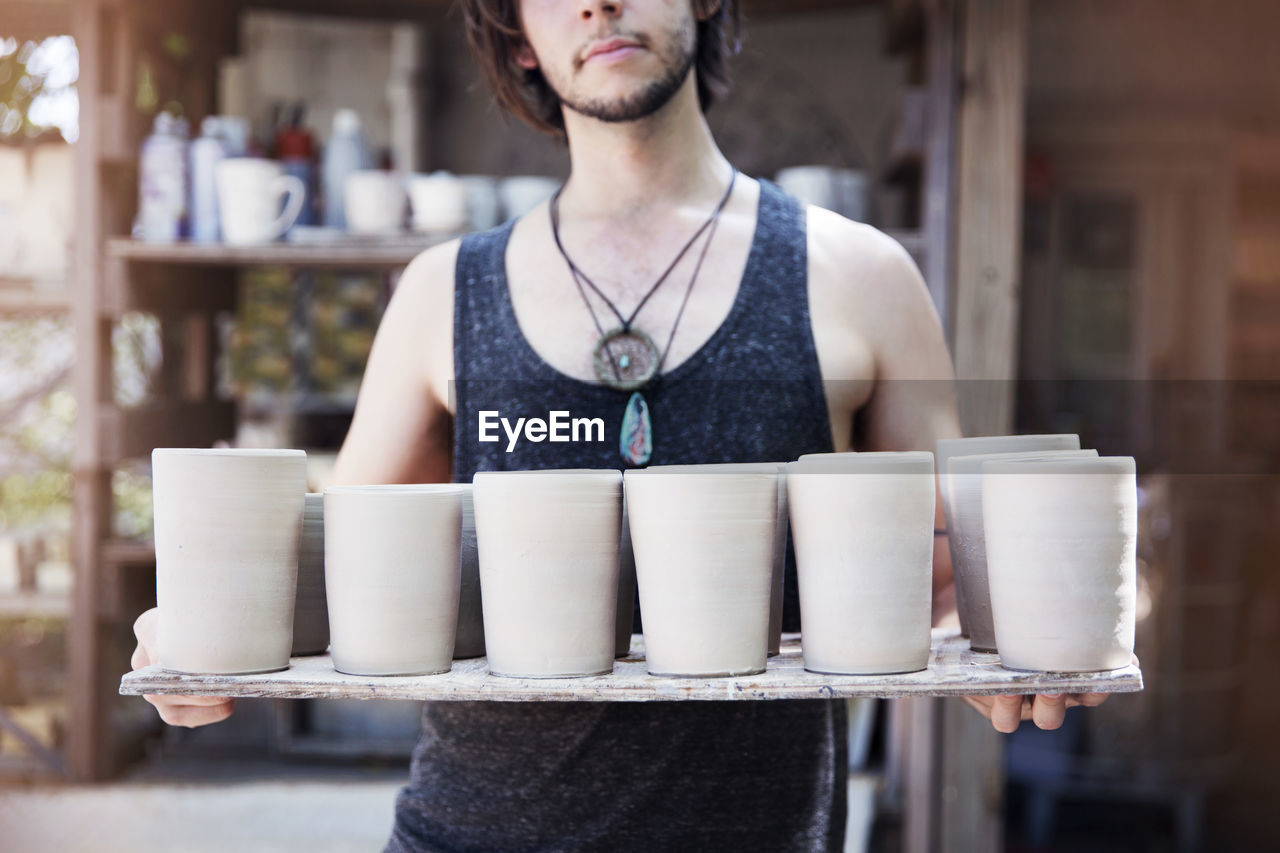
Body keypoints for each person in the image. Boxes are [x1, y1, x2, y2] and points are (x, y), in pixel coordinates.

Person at [131, 0, 1110, 848]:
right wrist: (193, 630)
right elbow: (335, 574)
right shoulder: (441, 292)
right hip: (467, 836)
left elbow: (944, 578)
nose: (596, 4)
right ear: (518, 37)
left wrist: (1019, 643)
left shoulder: (859, 276)